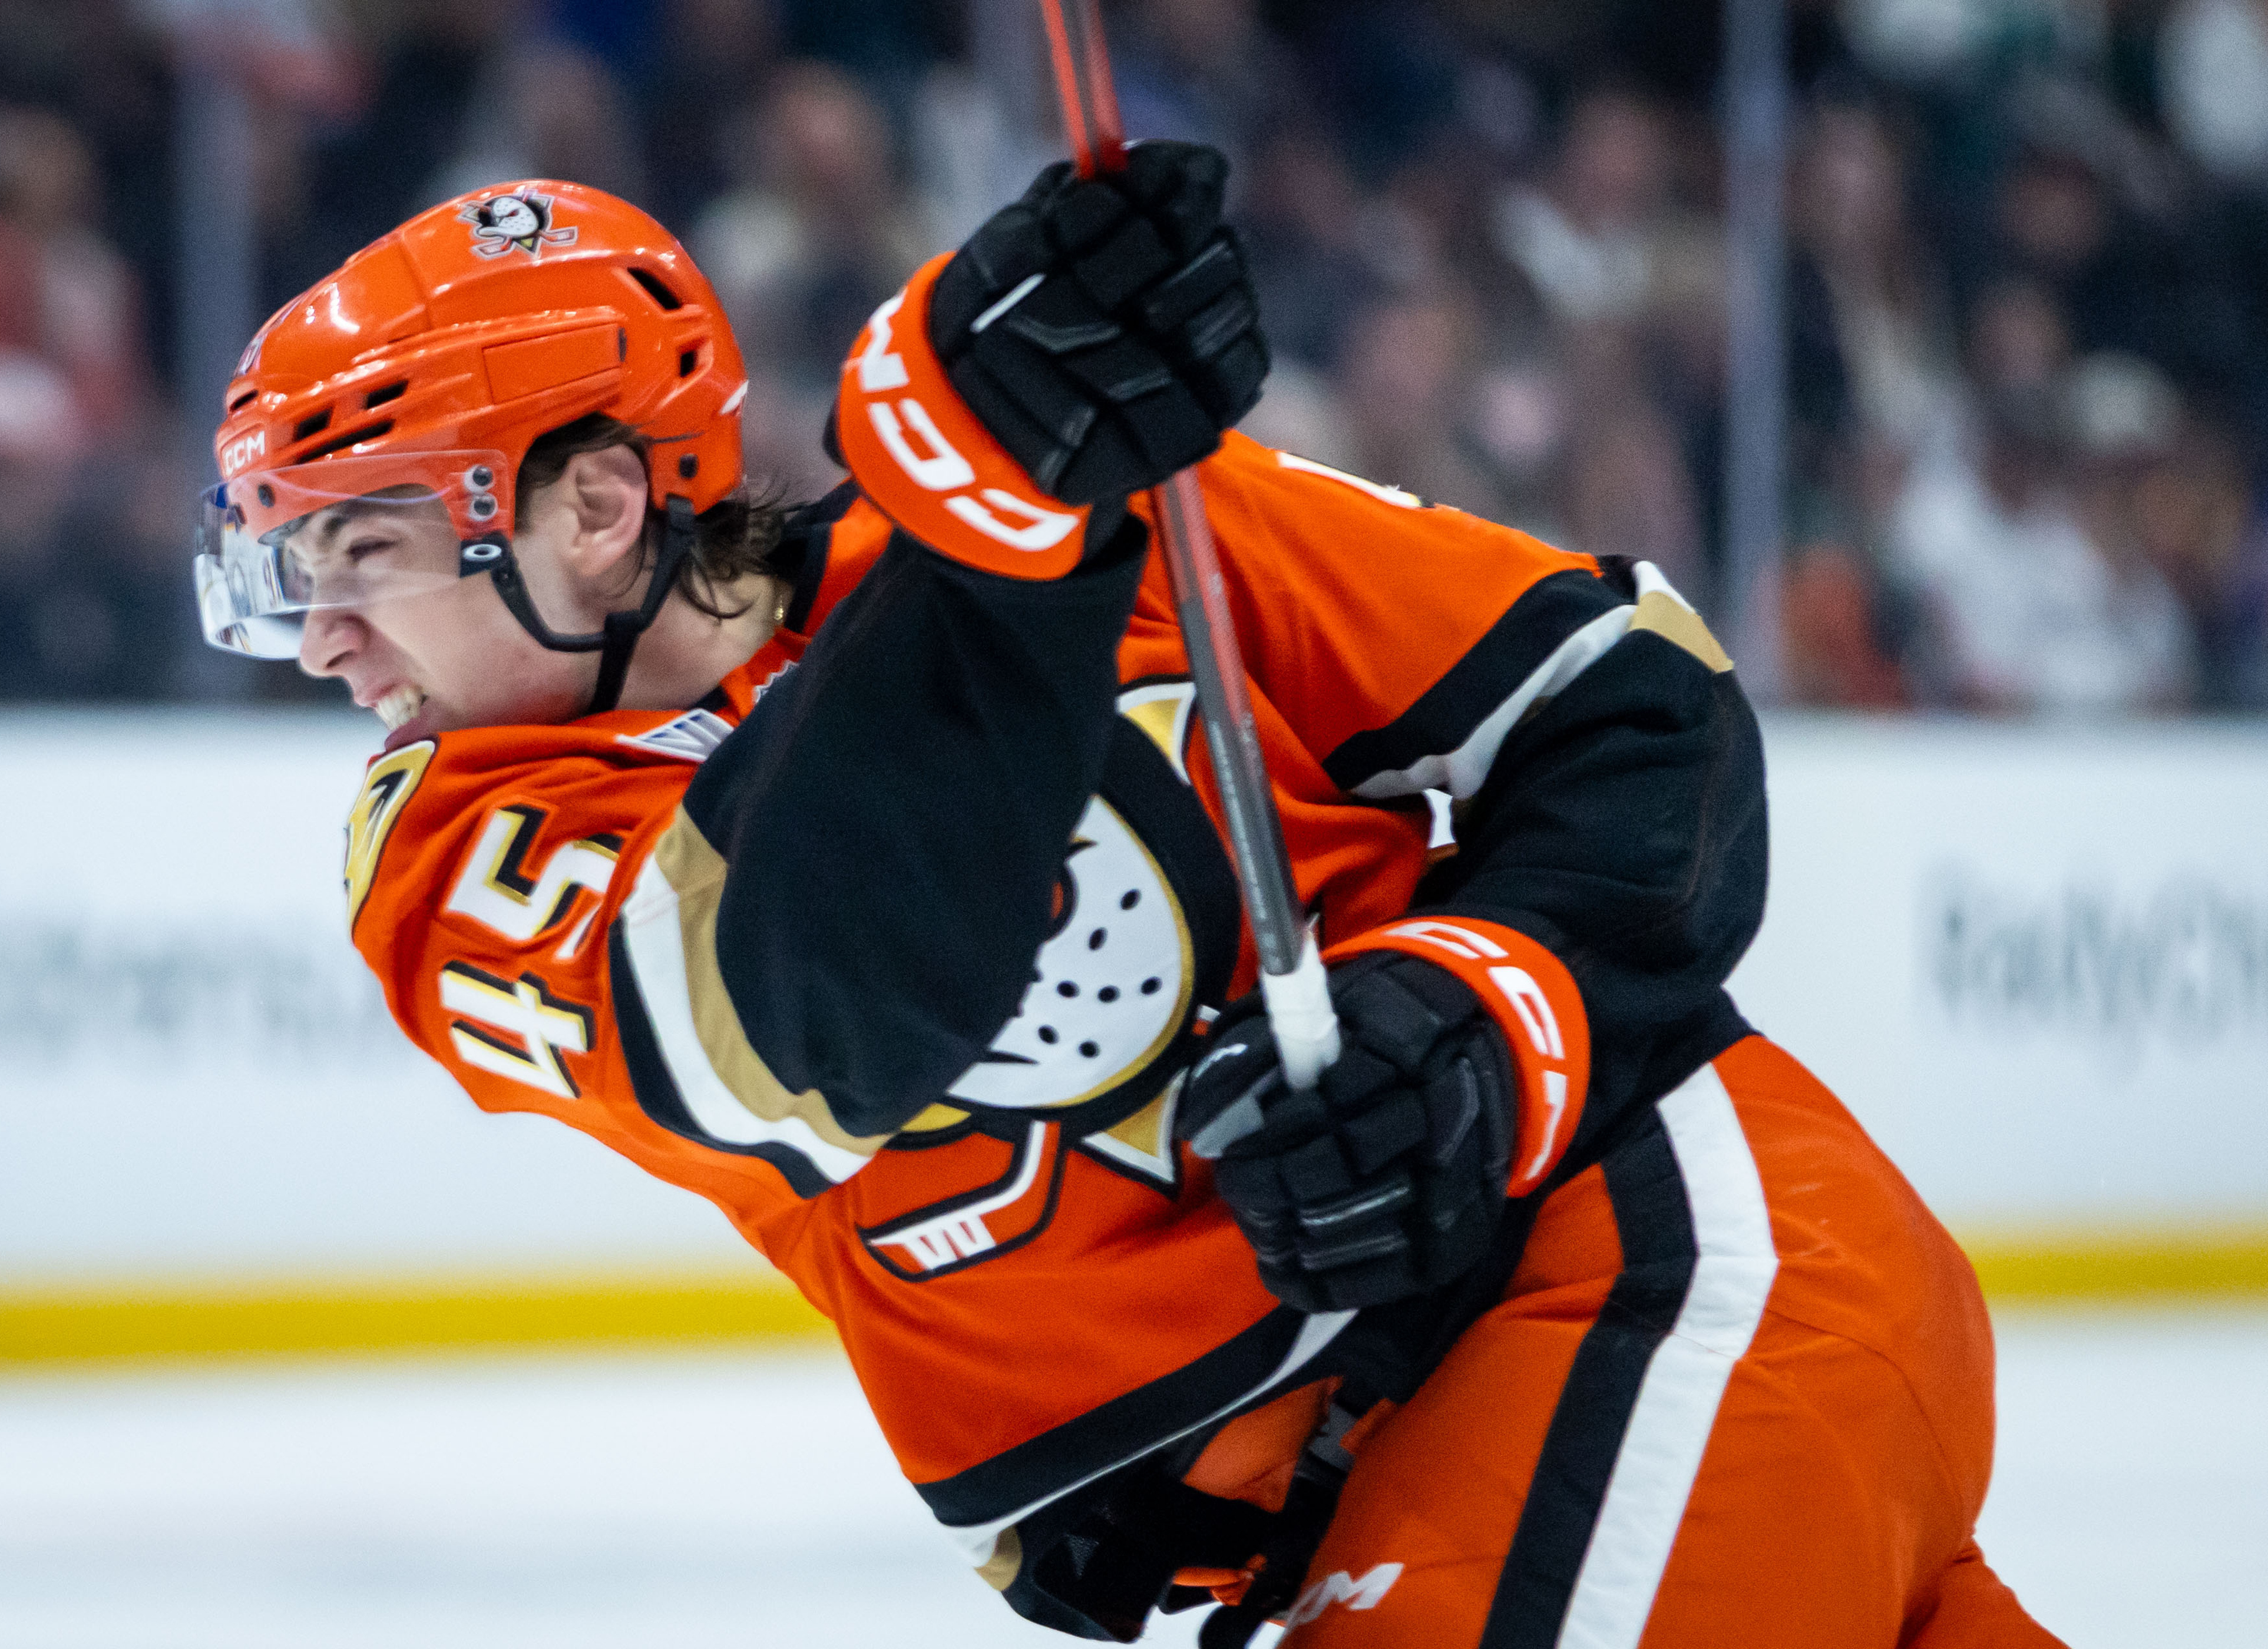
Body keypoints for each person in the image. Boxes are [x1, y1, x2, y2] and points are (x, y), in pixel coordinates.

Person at [196, 156, 2061, 1646]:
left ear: (593, 510)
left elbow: (1628, 702)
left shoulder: (1110, 514)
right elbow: (812, 1011)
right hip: (1379, 1501)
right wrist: (991, 530)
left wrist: (1487, 1013)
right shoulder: (447, 856)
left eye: (358, 548)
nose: (320, 638)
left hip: (1646, 1270)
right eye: (285, 570)